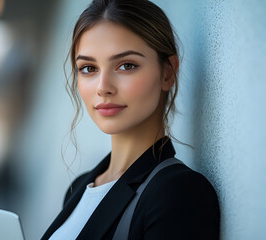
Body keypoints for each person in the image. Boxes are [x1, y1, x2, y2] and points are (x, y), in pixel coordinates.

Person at [41, 0, 220, 239]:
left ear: (167, 73)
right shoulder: (79, 188)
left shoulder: (179, 192)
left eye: (126, 65)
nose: (103, 88)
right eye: (88, 68)